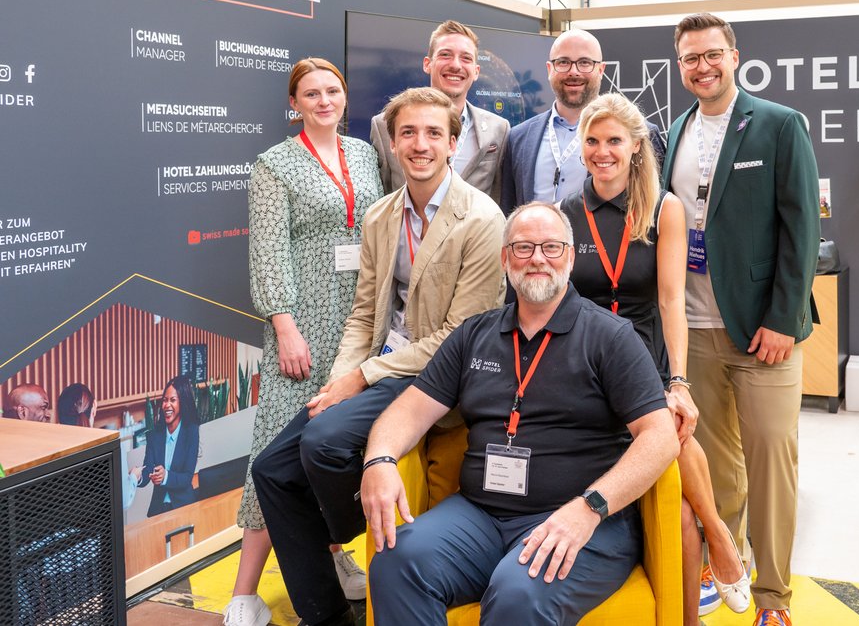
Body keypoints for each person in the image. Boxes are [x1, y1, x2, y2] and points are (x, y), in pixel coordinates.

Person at [251, 86, 506, 626]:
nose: (420, 144)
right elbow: (365, 313)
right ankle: (326, 614)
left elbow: (462, 336)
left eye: (433, 133)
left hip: (439, 375)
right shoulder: (380, 215)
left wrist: (364, 377)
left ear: (453, 143)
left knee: (322, 442)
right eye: (408, 133)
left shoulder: (483, 219)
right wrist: (339, 380)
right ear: (391, 144)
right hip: (382, 363)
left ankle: (338, 533)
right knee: (271, 469)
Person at [361, 202, 680, 624]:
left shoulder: (611, 337)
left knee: (518, 594)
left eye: (551, 247)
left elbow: (660, 436)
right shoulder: (474, 334)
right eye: (523, 247)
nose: (537, 259)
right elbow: (409, 410)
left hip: (581, 519)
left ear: (570, 256)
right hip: (479, 517)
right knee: (396, 561)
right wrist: (379, 459)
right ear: (504, 259)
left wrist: (589, 508)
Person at [560, 92, 750, 624]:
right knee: (664, 441)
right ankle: (720, 537)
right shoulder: (565, 212)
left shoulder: (664, 208)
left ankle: (717, 536)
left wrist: (679, 381)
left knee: (672, 422)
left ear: (636, 147)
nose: (602, 152)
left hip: (644, 351)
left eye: (614, 141)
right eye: (592, 141)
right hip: (587, 355)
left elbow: (671, 300)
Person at [663, 13, 821, 626]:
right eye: (690, 58)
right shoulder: (674, 131)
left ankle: (774, 596)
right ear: (680, 65)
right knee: (714, 462)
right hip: (695, 328)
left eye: (712, 54)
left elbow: (802, 229)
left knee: (771, 461)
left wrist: (783, 317)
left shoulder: (779, 124)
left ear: (734, 56)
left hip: (762, 330)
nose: (701, 67)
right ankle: (726, 564)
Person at [223, 57, 384, 626]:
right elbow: (267, 251)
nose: (323, 101)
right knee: (275, 454)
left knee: (331, 453)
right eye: (310, 94)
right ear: (294, 104)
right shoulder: (275, 164)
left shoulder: (365, 155)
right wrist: (284, 325)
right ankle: (244, 593)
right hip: (302, 328)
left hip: (359, 323)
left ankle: (331, 555)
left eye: (332, 91)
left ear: (345, 97)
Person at [500, 29, 665, 215]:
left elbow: (654, 208)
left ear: (601, 70)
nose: (574, 72)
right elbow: (509, 213)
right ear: (549, 69)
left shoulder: (643, 135)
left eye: (585, 62)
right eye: (563, 62)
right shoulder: (519, 138)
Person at [370, 19, 510, 201]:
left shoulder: (498, 129)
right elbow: (384, 198)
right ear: (427, 64)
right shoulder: (384, 125)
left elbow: (499, 198)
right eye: (445, 55)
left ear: (476, 71)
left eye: (466, 58)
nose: (456, 65)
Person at [134, 376, 201, 518]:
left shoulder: (191, 432)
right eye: (165, 400)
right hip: (158, 510)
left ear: (182, 402)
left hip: (184, 508)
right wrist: (137, 477)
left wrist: (165, 477)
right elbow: (148, 470)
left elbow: (187, 477)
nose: (167, 405)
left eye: (173, 400)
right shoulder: (154, 435)